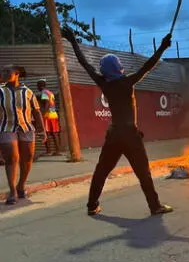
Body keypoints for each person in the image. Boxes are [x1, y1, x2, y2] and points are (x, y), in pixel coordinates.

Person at [61, 26, 174, 216]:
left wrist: (72, 41)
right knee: (143, 173)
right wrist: (163, 47)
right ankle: (155, 206)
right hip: (130, 134)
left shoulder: (104, 82)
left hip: (113, 134)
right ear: (117, 66)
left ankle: (91, 206)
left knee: (102, 171)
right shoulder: (127, 82)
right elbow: (148, 66)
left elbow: (84, 63)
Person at [0, 65, 47, 205]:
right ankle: (12, 191)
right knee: (12, 158)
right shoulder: (0, 91)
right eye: (3, 71)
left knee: (27, 158)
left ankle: (21, 185)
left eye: (8, 71)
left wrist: (42, 130)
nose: (4, 73)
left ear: (17, 74)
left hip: (26, 128)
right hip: (7, 128)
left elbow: (36, 111)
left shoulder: (27, 92)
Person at [36, 79, 62, 156]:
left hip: (48, 115)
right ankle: (57, 151)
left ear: (40, 86)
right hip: (54, 114)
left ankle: (48, 151)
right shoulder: (50, 93)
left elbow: (47, 104)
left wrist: (42, 114)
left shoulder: (44, 93)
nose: (37, 88)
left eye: (37, 86)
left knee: (46, 133)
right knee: (54, 133)